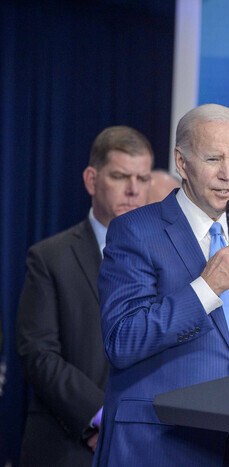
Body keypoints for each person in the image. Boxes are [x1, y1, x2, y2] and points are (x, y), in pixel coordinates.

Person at [93, 104, 229, 465]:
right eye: (213, 159)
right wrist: (206, 288)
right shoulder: (136, 231)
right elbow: (122, 341)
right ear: (182, 162)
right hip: (156, 445)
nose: (228, 174)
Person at [15, 126, 154, 466]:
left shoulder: (167, 260)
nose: (134, 190)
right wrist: (101, 416)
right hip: (67, 447)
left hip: (144, 447)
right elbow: (38, 353)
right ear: (92, 180)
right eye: (121, 176)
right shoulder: (50, 257)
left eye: (143, 178)